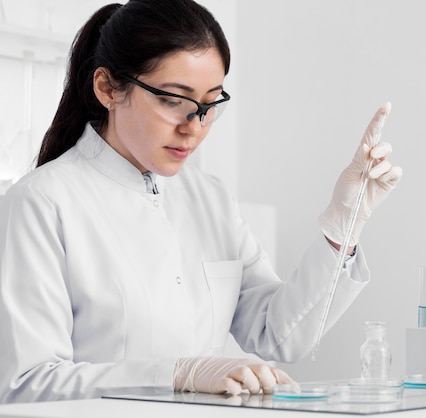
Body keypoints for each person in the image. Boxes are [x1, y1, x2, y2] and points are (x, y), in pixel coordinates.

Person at [0, 0, 402, 404]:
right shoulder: (42, 203)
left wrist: (342, 226)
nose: (194, 127)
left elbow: (280, 335)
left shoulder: (210, 198)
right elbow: (27, 384)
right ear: (107, 88)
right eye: (174, 100)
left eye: (209, 104)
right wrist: (174, 374)